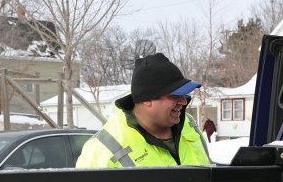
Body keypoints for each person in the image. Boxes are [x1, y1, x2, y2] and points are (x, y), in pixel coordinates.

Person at [76, 53, 211, 168]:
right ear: (147, 99)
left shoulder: (189, 125)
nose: (183, 101)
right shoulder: (100, 151)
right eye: (175, 95)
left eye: (184, 94)